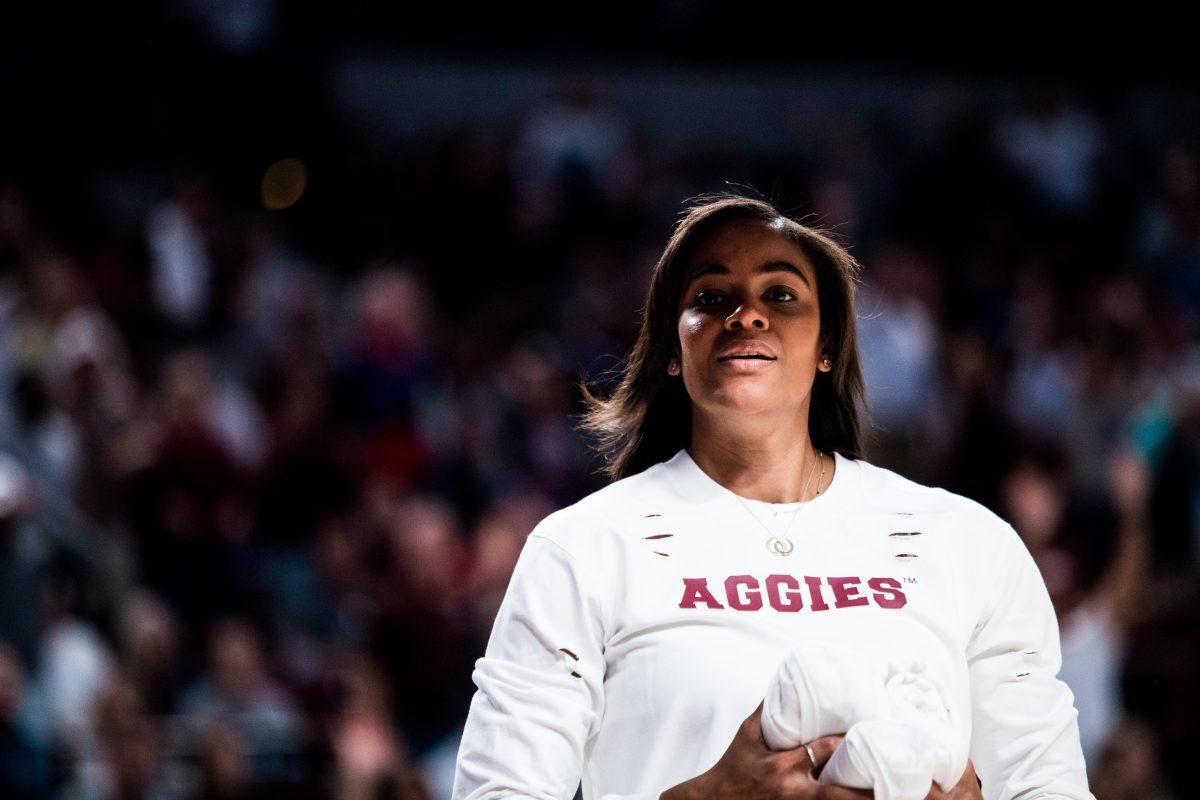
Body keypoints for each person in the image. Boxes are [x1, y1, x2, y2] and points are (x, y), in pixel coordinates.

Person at [451, 193, 1094, 800]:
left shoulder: (965, 542)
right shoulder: (583, 548)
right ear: (674, 349)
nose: (746, 314)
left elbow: (1048, 785)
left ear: (828, 349)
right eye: (711, 296)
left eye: (781, 294)